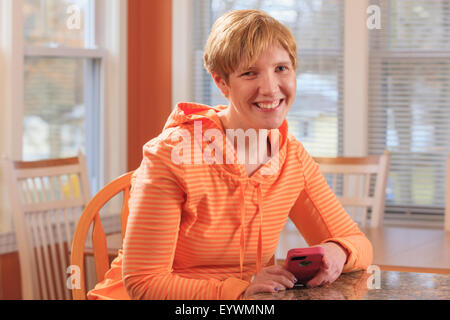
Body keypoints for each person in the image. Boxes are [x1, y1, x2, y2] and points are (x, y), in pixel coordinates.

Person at [87, 9, 372, 300]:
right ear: (222, 83)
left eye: (281, 69)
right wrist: (240, 290)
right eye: (250, 73)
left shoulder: (291, 156)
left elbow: (359, 243)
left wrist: (338, 251)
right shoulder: (172, 155)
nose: (271, 88)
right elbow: (144, 283)